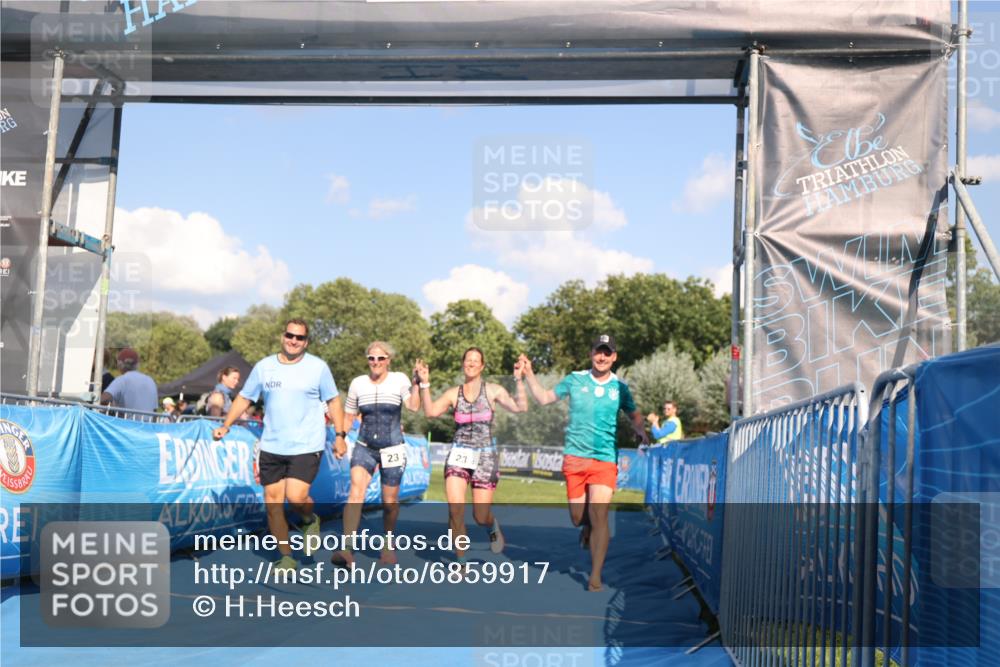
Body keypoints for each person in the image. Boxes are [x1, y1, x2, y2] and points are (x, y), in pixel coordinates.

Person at [213, 319, 346, 572]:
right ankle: (286, 556)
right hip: (272, 444)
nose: (294, 341)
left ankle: (309, 518)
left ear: (306, 342)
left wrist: (339, 435)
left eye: (300, 338)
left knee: (296, 497)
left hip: (306, 444)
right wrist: (226, 424)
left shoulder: (318, 367)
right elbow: (244, 397)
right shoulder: (264, 367)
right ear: (282, 336)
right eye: (290, 335)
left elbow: (333, 401)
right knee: (273, 504)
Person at [520, 334, 648, 592]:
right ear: (591, 354)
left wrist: (639, 430)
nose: (602, 357)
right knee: (577, 517)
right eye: (598, 352)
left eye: (607, 352)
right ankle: (585, 524)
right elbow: (544, 398)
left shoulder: (620, 388)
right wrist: (529, 374)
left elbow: (634, 413)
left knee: (600, 514)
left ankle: (595, 575)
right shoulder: (575, 380)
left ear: (614, 357)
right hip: (575, 458)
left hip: (604, 459)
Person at [415, 348, 528, 562]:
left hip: (485, 457)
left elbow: (521, 408)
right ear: (463, 363)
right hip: (459, 454)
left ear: (482, 366)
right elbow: (430, 412)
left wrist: (519, 380)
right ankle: (461, 561)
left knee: (480, 515)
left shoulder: (493, 391)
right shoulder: (452, 393)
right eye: (468, 360)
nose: (472, 364)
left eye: (476, 361)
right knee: (455, 509)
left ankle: (491, 525)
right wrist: (425, 384)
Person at [330, 341, 421, 569]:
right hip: (364, 445)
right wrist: (340, 437)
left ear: (388, 360)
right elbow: (349, 415)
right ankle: (347, 548)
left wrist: (418, 383)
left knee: (389, 502)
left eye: (381, 358)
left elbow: (413, 407)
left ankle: (388, 542)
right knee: (355, 492)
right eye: (372, 358)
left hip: (392, 448)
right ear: (367, 360)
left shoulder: (399, 379)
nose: (376, 362)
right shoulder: (358, 383)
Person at [100, 348, 158, 413]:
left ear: (119, 364)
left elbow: (104, 399)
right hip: (147, 423)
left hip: (127, 422)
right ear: (137, 364)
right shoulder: (150, 381)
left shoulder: (122, 380)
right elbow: (154, 410)